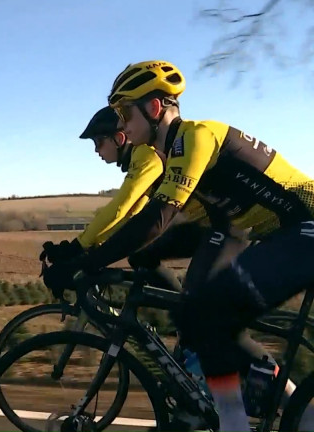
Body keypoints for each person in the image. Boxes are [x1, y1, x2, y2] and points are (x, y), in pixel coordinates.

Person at [43, 60, 314, 431]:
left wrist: (87, 260)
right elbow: (197, 226)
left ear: (154, 109)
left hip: (305, 232)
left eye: (125, 113)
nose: (121, 124)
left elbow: (156, 217)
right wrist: (136, 255)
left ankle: (243, 419)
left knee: (204, 313)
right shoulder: (176, 151)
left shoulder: (194, 138)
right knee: (200, 316)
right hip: (285, 235)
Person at [42, 105, 183, 290]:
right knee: (140, 255)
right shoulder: (138, 159)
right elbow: (130, 215)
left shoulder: (146, 155)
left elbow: (120, 207)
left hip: (201, 223)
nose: (95, 150)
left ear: (119, 138)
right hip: (185, 221)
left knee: (141, 254)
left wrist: (78, 246)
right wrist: (92, 245)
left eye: (98, 142)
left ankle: (185, 313)